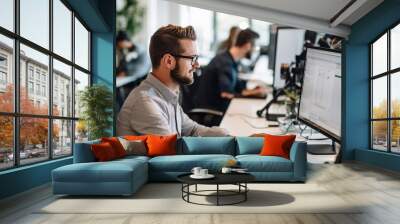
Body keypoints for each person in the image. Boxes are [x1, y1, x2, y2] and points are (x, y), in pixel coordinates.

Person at [117, 25, 228, 137]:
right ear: (169, 61)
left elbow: (193, 130)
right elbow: (174, 150)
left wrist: (229, 136)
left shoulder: (168, 95)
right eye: (192, 58)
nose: (197, 65)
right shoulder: (145, 103)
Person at [196, 28, 267, 113]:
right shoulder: (224, 63)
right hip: (213, 112)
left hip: (221, 108)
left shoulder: (231, 59)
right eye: (256, 47)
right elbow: (227, 94)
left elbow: (238, 88)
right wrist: (254, 93)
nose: (256, 50)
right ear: (248, 46)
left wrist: (254, 91)